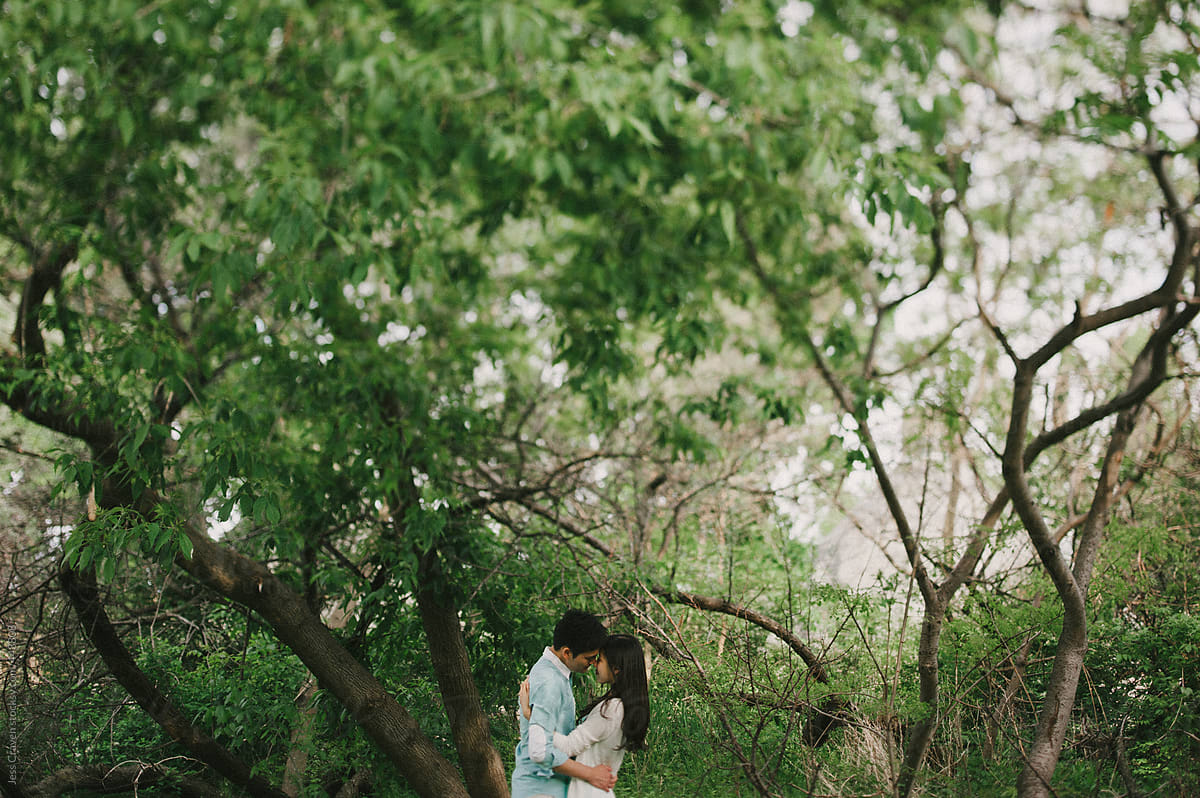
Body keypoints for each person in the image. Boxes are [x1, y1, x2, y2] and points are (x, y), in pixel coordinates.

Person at [520, 634, 650, 798]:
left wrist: (531, 716)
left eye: (600, 660)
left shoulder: (611, 709)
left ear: (616, 668)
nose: (594, 663)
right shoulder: (624, 706)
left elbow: (569, 746)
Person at [512, 609, 616, 798]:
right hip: (540, 789)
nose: (593, 663)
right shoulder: (549, 682)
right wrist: (590, 773)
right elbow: (539, 751)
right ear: (567, 652)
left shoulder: (558, 673)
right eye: (589, 658)